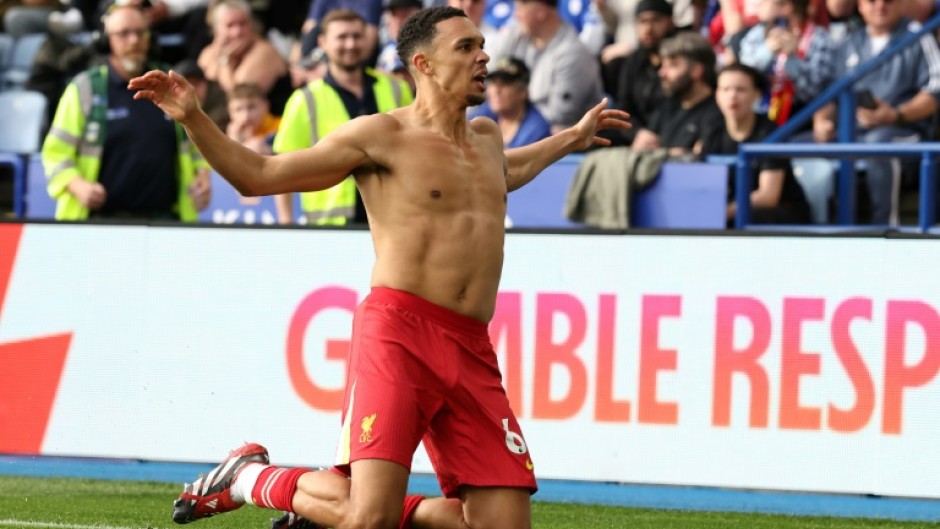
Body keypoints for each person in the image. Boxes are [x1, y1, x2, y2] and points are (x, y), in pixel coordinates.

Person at [129, 6, 628, 529]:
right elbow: (258, 175)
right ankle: (250, 478)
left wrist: (570, 138)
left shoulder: (486, 138)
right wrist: (193, 116)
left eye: (482, 44)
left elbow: (507, 171)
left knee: (495, 523)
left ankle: (330, 505)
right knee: (369, 518)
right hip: (400, 334)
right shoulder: (380, 135)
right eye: (466, 48)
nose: (484, 56)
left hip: (471, 345)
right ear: (425, 64)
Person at [42, 3, 210, 221]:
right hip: (99, 222)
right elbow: (55, 153)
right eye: (124, 33)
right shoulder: (84, 89)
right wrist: (77, 185)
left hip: (166, 223)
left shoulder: (171, 85)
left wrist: (204, 175)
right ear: (106, 39)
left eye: (140, 32)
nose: (134, 40)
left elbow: (200, 142)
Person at [272, 8, 413, 226]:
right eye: (342, 37)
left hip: (393, 221)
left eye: (356, 37)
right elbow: (281, 166)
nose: (350, 44)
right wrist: (285, 222)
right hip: (331, 227)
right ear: (323, 42)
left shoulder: (396, 88)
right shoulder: (304, 99)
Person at [811, 0, 940, 225]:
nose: (880, 6)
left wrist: (895, 114)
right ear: (860, 6)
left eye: (888, 0)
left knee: (878, 143)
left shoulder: (919, 36)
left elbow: (934, 92)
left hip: (905, 130)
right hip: (852, 131)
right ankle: (816, 227)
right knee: (798, 146)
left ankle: (885, 228)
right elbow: (829, 95)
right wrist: (821, 122)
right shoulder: (848, 43)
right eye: (871, 1)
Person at [698, 63, 811, 224]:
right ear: (717, 95)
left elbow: (768, 197)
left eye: (740, 89)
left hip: (779, 215)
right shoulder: (712, 130)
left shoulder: (771, 133)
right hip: (731, 209)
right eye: (725, 89)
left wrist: (724, 212)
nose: (732, 96)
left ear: (756, 95)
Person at [487, 0, 604, 132]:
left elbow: (559, 119)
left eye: (521, 7)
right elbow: (491, 84)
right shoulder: (515, 35)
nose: (516, 15)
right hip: (514, 126)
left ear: (541, 11)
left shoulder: (573, 53)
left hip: (560, 140)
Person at [737, 0, 833, 126]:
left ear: (786, 7)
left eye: (766, 2)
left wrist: (792, 59)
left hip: (801, 118)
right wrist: (767, 51)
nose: (759, 4)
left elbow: (814, 91)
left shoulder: (819, 38)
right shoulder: (756, 35)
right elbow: (742, 79)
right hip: (758, 116)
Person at [631, 31, 721, 156]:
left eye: (672, 66)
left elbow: (697, 161)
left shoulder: (717, 111)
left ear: (696, 70)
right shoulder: (666, 106)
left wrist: (660, 155)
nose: (662, 73)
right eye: (663, 65)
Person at [197, 0, 289, 114]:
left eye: (243, 24)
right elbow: (201, 90)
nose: (237, 32)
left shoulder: (264, 51)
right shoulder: (209, 52)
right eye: (230, 25)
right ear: (216, 30)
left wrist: (225, 61)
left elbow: (239, 98)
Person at [608, 0, 676, 145]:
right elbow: (623, 108)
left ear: (670, 22)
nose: (648, 28)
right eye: (642, 21)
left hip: (672, 136)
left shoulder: (681, 60)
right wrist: (636, 133)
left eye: (655, 20)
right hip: (636, 137)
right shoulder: (633, 62)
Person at [469, 56, 552, 147]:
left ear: (523, 91)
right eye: (493, 83)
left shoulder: (536, 129)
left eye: (504, 84)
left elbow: (516, 159)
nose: (496, 91)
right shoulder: (486, 111)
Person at [226, 81, 280, 154]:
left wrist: (271, 152)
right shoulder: (231, 135)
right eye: (238, 109)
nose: (246, 115)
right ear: (230, 113)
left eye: (251, 107)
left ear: (266, 106)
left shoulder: (281, 127)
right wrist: (233, 143)